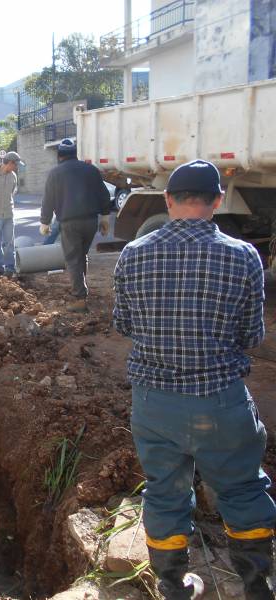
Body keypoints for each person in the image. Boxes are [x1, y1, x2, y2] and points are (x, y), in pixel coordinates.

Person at [113, 159, 276, 600]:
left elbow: (124, 325)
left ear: (168, 200)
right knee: (243, 489)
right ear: (218, 201)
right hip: (220, 402)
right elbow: (251, 335)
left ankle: (174, 586)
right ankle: (257, 585)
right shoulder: (244, 257)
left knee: (165, 493)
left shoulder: (133, 254)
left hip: (155, 402)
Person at [40, 138, 112, 312]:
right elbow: (104, 195)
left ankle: (79, 298)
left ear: (59, 156)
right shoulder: (91, 170)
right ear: (75, 153)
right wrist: (104, 218)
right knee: (82, 255)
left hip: (70, 223)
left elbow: (48, 199)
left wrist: (45, 222)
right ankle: (82, 287)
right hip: (90, 221)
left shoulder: (55, 174)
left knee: (72, 259)